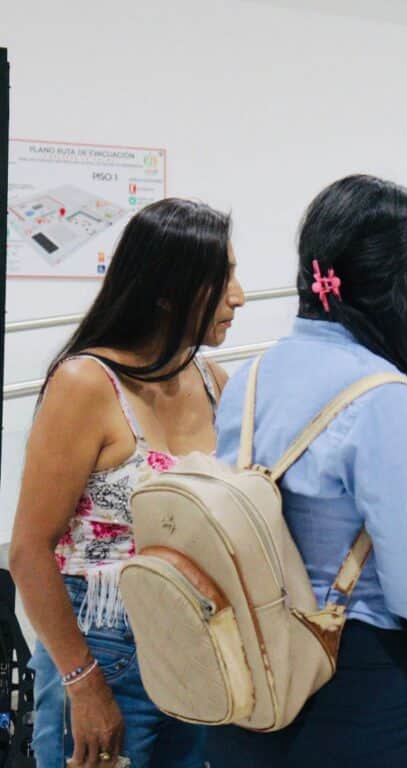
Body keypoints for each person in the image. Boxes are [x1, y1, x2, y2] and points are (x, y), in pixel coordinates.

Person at [207, 174, 407, 768]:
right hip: (353, 689)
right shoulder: (385, 397)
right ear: (403, 292)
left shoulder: (249, 379)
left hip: (252, 682)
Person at [10, 198, 245, 768]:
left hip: (197, 646)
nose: (239, 296)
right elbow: (28, 551)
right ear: (167, 291)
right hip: (105, 649)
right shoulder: (85, 383)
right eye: (222, 280)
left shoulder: (212, 379)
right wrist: (82, 683)